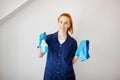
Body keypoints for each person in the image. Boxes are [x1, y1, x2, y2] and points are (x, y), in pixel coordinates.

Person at [37, 13, 79, 80]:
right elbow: (39, 55)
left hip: (66, 76)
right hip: (50, 75)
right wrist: (40, 42)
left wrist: (78, 54)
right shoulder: (49, 38)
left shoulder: (73, 42)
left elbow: (71, 62)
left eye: (66, 23)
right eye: (61, 22)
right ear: (58, 23)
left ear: (69, 25)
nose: (63, 25)